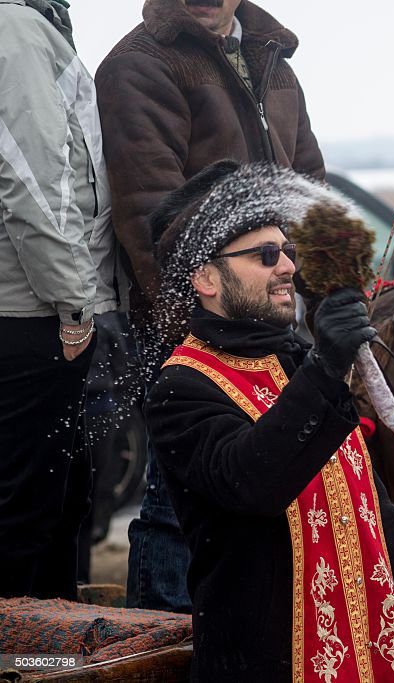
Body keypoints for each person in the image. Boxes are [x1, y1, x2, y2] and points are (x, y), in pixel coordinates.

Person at [145, 161, 394, 682]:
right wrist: (326, 365)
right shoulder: (182, 388)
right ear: (205, 278)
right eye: (265, 255)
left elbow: (370, 514)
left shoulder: (293, 365)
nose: (287, 266)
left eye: (288, 251)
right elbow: (254, 483)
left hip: (366, 657)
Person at [95, 0, 327, 612]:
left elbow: (310, 186)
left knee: (265, 487)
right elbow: (149, 210)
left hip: (268, 316)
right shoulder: (139, 64)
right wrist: (194, 326)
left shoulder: (274, 60)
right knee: (176, 501)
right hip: (191, 319)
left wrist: (332, 295)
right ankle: (162, 645)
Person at [0, 0, 126, 600]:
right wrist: (75, 305)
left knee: (51, 508)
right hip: (33, 315)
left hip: (30, 309)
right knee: (30, 519)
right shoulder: (15, 28)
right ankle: (28, 660)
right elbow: (33, 180)